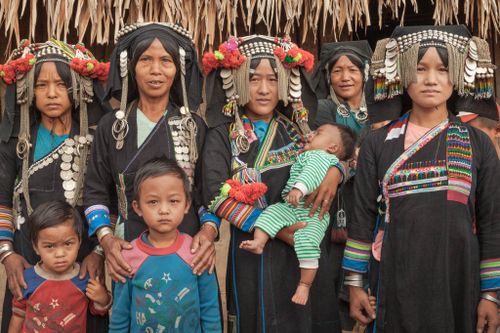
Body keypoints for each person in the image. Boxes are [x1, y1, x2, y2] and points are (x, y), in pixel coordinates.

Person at [342, 25, 500, 332]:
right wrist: (354, 284)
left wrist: (491, 295)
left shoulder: (477, 144)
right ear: (400, 74)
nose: (430, 80)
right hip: (396, 277)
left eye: (442, 69)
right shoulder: (378, 142)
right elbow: (360, 215)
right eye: (419, 68)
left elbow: (493, 221)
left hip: (459, 281)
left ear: (457, 74)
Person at [202, 35, 344, 332]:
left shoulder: (300, 130)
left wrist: (337, 171)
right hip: (254, 248)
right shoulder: (222, 134)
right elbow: (214, 194)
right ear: (237, 82)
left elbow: (343, 155)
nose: (264, 90)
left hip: (305, 251)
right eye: (253, 80)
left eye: (272, 79)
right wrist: (273, 228)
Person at [83, 23, 219, 283]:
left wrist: (209, 232)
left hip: (188, 249)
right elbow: (96, 191)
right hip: (129, 249)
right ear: (131, 67)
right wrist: (107, 240)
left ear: (178, 68)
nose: (156, 70)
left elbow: (208, 192)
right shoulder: (110, 126)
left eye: (165, 61)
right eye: (146, 59)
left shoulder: (194, 127)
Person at [0, 39, 111, 332]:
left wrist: (97, 253)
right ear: (27, 90)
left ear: (77, 88)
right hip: (26, 256)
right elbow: (3, 201)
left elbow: (109, 198)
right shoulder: (15, 142)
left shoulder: (95, 139)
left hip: (82, 255)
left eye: (61, 84)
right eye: (41, 85)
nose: (51, 94)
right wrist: (7, 254)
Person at [240, 123, 356, 305]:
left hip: (311, 213)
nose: (310, 134)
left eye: (318, 133)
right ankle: (259, 242)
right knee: (271, 213)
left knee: (307, 243)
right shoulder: (311, 153)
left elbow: (310, 175)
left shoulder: (319, 156)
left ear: (332, 148)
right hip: (291, 206)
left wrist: (298, 190)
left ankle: (304, 284)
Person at [109, 158, 221, 332]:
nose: (163, 210)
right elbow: (119, 316)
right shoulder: (128, 257)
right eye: (153, 202)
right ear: (137, 207)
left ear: (186, 205)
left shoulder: (197, 252)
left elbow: (210, 311)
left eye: (173, 201)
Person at [8, 200, 111, 332]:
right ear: (36, 247)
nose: (60, 254)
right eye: (50, 246)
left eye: (68, 244)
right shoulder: (26, 279)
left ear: (79, 241)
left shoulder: (84, 277)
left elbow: (98, 310)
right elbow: (18, 315)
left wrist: (103, 298)